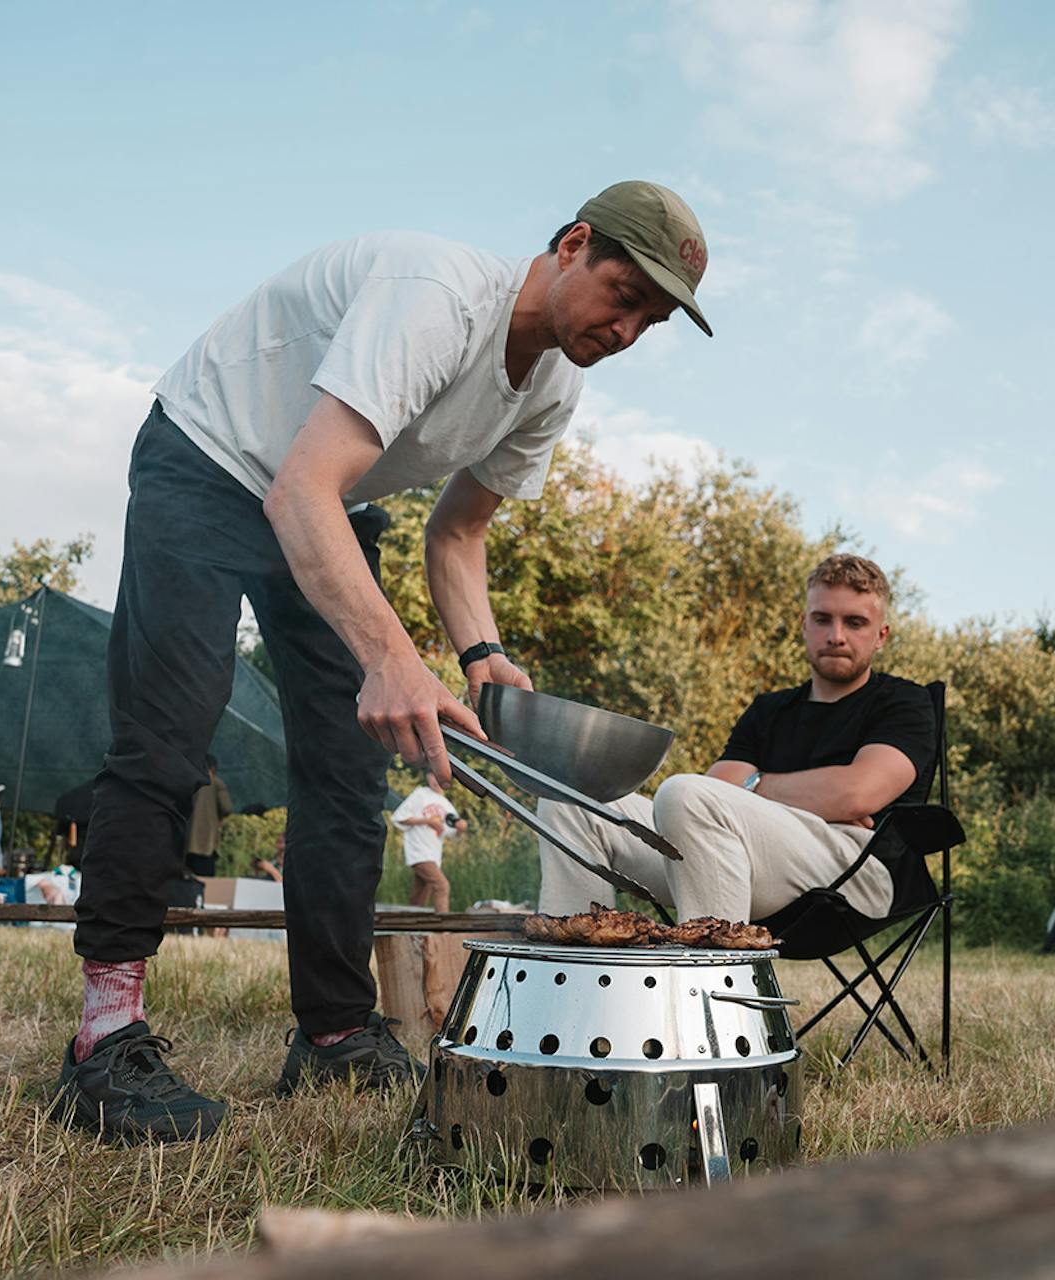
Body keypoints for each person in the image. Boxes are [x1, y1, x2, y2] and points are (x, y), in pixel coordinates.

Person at [56, 180, 712, 1143]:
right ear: (574, 244)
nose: (627, 329)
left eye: (650, 321)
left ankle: (332, 1029)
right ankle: (103, 1038)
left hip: (322, 500)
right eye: (625, 295)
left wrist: (481, 653)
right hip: (210, 458)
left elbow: (457, 535)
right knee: (170, 737)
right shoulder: (438, 296)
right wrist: (392, 658)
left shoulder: (556, 386)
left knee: (348, 766)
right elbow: (299, 493)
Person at [536, 555, 934, 924]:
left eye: (855, 622)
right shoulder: (770, 709)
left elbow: (858, 795)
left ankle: (716, 991)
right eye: (823, 619)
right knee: (571, 799)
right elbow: (718, 787)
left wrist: (754, 786)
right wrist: (802, 795)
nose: (836, 635)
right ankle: (573, 979)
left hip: (854, 867)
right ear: (803, 624)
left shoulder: (904, 701)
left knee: (684, 793)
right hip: (738, 858)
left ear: (881, 635)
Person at [391, 775, 464, 914]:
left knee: (419, 899)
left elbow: (453, 834)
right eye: (433, 776)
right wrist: (427, 821)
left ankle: (411, 930)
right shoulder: (420, 794)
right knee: (442, 886)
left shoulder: (446, 805)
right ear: (428, 777)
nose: (436, 780)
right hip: (419, 853)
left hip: (434, 856)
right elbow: (399, 818)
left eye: (439, 776)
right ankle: (443, 929)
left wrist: (461, 829)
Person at [183, 756, 234, 877]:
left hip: (185, 843)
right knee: (205, 883)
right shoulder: (216, 783)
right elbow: (227, 807)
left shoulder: (188, 782)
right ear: (213, 768)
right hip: (206, 844)